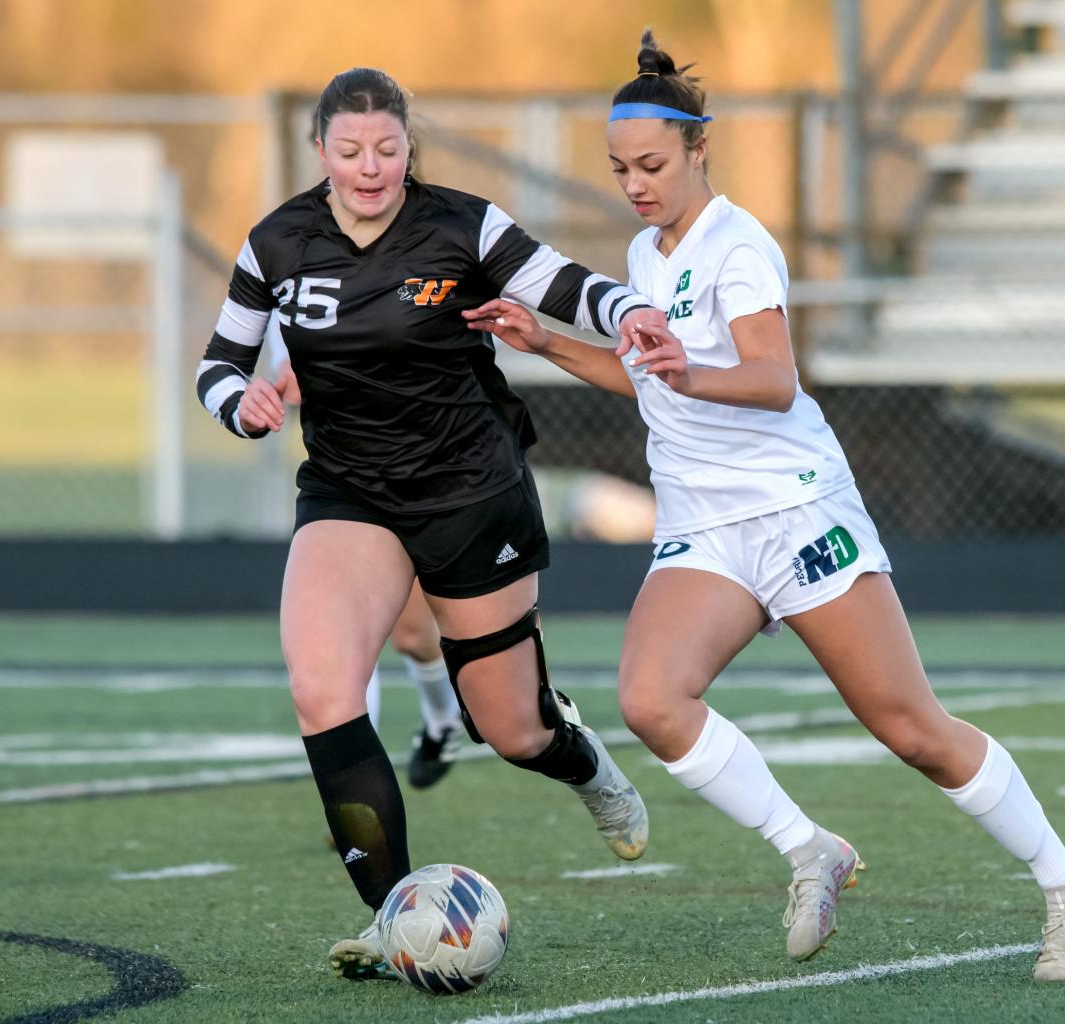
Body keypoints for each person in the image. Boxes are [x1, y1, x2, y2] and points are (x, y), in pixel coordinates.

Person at [463, 31, 1065, 983]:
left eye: (650, 165)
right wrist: (544, 341)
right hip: (703, 527)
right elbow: (653, 385)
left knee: (911, 730)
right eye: (619, 169)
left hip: (796, 511)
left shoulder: (739, 245)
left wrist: (688, 369)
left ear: (695, 149)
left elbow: (769, 381)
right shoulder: (643, 250)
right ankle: (811, 850)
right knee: (652, 701)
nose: (634, 184)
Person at [195, 66, 660, 980]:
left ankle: (585, 764)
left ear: (409, 147)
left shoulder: (461, 223)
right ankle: (394, 914)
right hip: (349, 492)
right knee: (322, 693)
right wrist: (238, 403)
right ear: (320, 151)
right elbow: (219, 361)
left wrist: (630, 308)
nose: (370, 167)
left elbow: (565, 282)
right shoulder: (276, 241)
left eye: (388, 148)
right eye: (350, 149)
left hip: (467, 490)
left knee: (512, 731)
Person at [268, 326, 463, 789]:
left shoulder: (409, 260)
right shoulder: (282, 265)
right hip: (342, 479)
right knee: (342, 638)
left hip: (424, 462)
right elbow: (242, 362)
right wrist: (252, 392)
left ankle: (443, 721)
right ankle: (357, 785)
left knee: (415, 636)